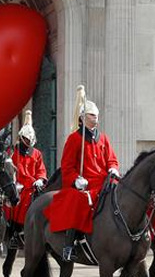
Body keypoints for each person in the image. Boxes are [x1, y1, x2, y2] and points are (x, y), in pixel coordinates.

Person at [43, 85, 119, 262]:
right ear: (83, 118)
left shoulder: (104, 138)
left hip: (104, 181)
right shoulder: (74, 139)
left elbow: (112, 159)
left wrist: (113, 168)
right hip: (84, 183)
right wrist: (76, 179)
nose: (96, 118)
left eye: (97, 115)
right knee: (78, 201)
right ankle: (70, 244)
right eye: (92, 115)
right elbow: (67, 166)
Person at [6, 110, 47, 249]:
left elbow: (41, 170)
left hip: (34, 185)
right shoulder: (13, 153)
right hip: (20, 186)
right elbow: (10, 171)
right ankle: (14, 232)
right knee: (18, 201)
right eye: (26, 139)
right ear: (21, 138)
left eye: (30, 140)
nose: (28, 142)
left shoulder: (36, 154)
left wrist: (40, 179)